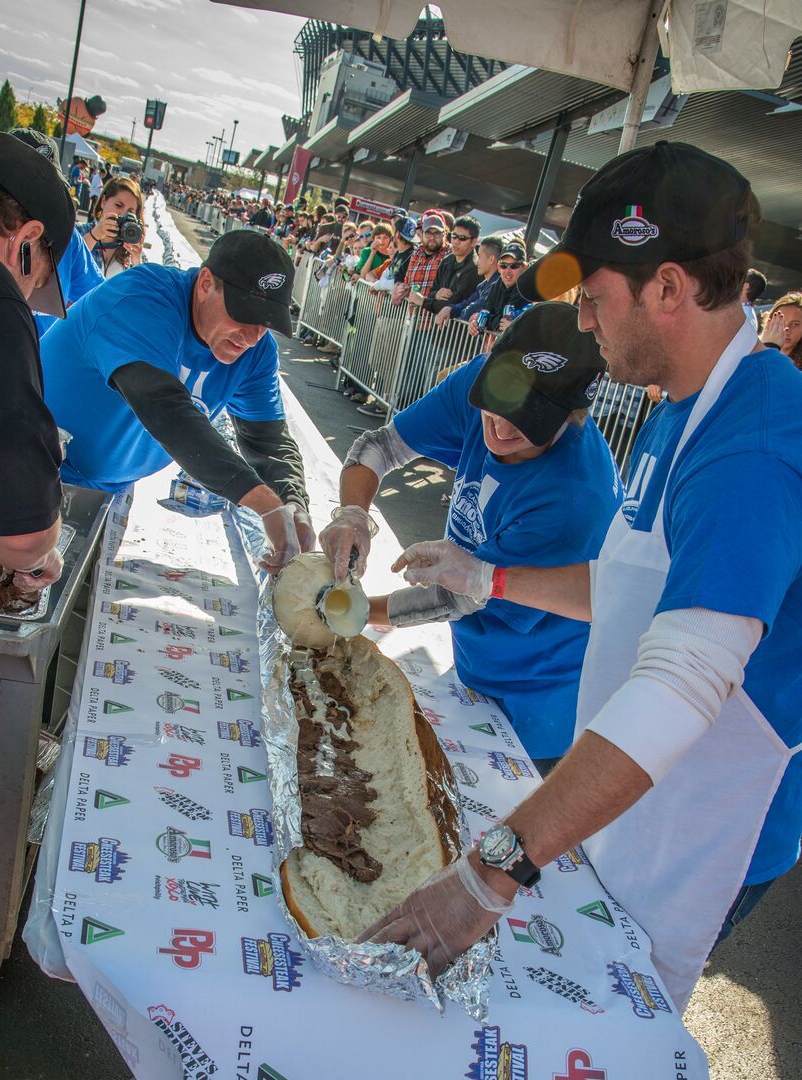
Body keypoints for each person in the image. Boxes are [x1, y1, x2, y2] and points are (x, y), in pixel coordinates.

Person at [357, 142, 802, 1016]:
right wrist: (493, 579)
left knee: (599, 1030)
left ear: (667, 288)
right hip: (623, 789)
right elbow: (631, 590)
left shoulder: (750, 444)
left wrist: (491, 870)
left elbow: (683, 681)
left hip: (702, 821)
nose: (585, 324)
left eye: (594, 298)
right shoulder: (683, 407)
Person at [321, 303, 622, 773]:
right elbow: (377, 447)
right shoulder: (475, 383)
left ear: (573, 414)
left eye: (526, 423)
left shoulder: (573, 500)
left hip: (538, 692)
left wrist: (356, 611)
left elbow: (463, 599)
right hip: (473, 662)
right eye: (495, 408)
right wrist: (354, 513)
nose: (499, 431)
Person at [40, 230, 315, 571]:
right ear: (205, 284)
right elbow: (164, 407)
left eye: (267, 324)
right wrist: (262, 501)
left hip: (109, 487)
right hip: (35, 469)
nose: (251, 336)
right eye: (243, 314)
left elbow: (268, 440)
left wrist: (292, 503)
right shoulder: (141, 299)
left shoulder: (256, 354)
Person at [0, 131, 75, 612]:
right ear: (25, 241)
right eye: (35, 283)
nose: (26, 297)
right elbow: (20, 536)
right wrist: (44, 546)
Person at [9, 128, 103, 338]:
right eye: (22, 183)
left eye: (46, 187)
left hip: (38, 367)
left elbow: (100, 303)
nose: (34, 197)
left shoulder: (68, 240)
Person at [413, 215, 480, 316]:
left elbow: (453, 305)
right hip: (436, 325)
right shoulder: (446, 261)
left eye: (462, 238)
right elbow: (432, 292)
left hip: (455, 329)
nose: (456, 242)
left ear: (474, 242)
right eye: (454, 236)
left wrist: (423, 301)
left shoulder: (474, 268)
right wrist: (437, 294)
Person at [80, 176, 145, 277]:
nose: (123, 214)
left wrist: (137, 262)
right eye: (119, 205)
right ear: (103, 201)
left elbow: (138, 290)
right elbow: (67, 262)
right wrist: (94, 236)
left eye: (130, 212)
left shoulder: (131, 250)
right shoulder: (79, 232)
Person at [435, 234, 502, 329]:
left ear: (491, 259)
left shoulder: (496, 284)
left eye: (479, 256)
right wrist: (449, 308)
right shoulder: (483, 285)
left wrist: (458, 314)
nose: (477, 261)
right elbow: (467, 303)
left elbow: (472, 310)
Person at [394, 212, 448, 305]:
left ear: (444, 234)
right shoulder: (416, 253)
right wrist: (400, 289)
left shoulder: (450, 255)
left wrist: (424, 300)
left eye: (437, 233)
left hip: (433, 317)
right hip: (411, 316)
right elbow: (407, 283)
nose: (432, 237)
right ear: (421, 234)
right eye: (428, 233)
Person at [474, 240, 527, 334]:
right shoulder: (496, 286)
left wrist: (486, 320)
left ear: (524, 268)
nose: (508, 271)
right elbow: (484, 314)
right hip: (490, 345)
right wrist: (475, 324)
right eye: (503, 265)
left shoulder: (526, 290)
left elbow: (504, 322)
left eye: (514, 266)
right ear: (498, 267)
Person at [760, 292, 802, 370]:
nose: (787, 329)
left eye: (795, 324)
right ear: (769, 322)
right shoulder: (750, 352)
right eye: (780, 322)